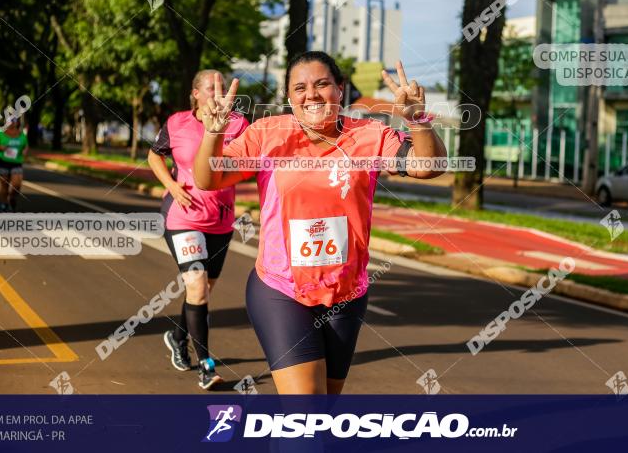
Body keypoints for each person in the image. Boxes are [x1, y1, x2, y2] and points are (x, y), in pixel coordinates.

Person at [194, 52, 446, 394]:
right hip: (281, 289)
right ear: (289, 98)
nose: (311, 94)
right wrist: (213, 133)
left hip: (346, 294)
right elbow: (210, 179)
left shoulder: (370, 135)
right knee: (306, 410)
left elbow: (428, 166)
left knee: (323, 410)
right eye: (300, 87)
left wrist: (417, 119)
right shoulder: (267, 133)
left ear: (340, 89)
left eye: (322, 84)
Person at [148, 69, 248, 390]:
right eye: (210, 87)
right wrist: (172, 186)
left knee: (202, 291)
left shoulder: (238, 124)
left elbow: (249, 162)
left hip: (221, 220)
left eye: (222, 86)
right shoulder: (177, 123)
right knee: (198, 289)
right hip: (184, 217)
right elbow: (154, 156)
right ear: (195, 93)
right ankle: (206, 365)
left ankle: (178, 338)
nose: (216, 92)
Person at [0, 117, 28, 211]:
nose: (12, 123)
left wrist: (25, 152)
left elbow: (26, 145)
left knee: (17, 185)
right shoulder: (0, 134)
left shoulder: (21, 135)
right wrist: (0, 148)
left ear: (17, 123)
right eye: (10, 121)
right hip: (3, 161)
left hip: (17, 162)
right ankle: (4, 203)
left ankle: (12, 198)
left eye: (14, 121)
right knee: (4, 185)